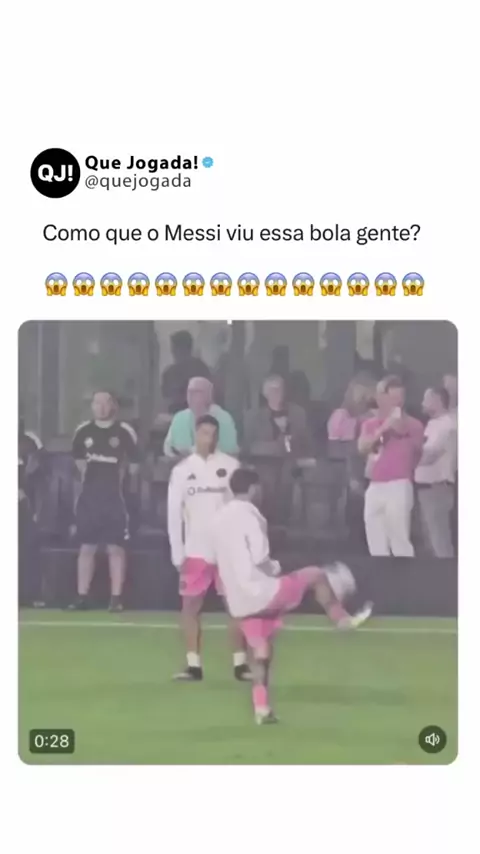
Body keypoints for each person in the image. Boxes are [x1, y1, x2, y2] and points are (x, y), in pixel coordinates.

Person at [212, 468, 372, 725]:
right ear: (253, 488)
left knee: (261, 650)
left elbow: (219, 557)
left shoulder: (219, 517)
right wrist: (275, 568)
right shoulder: (252, 515)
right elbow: (260, 557)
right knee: (315, 574)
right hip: (261, 592)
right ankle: (341, 619)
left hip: (239, 601)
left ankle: (261, 708)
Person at [167, 415, 251, 682]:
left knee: (236, 607)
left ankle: (240, 665)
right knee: (190, 607)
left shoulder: (231, 466)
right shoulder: (182, 471)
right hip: (196, 550)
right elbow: (174, 513)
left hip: (228, 551)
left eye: (214, 434)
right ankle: (193, 665)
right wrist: (177, 552)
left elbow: (243, 508)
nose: (209, 439)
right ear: (196, 434)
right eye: (204, 433)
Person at [68, 391, 139, 612]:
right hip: (89, 500)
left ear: (113, 406)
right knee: (86, 547)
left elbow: (134, 466)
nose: (101, 407)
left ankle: (116, 598)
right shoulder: (83, 431)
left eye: (105, 402)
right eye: (96, 402)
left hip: (116, 499)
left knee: (115, 547)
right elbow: (79, 464)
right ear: (92, 406)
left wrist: (121, 485)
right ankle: (82, 596)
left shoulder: (124, 432)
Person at [358, 376, 424, 557]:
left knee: (398, 536)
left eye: (399, 398)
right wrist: (381, 429)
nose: (396, 403)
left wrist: (393, 423)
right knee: (375, 536)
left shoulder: (414, 425)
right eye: (390, 397)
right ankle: (380, 570)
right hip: (375, 484)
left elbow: (414, 449)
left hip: (399, 484)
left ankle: (405, 572)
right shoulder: (369, 424)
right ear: (379, 398)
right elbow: (362, 447)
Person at [243, 374, 314, 524]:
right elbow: (249, 445)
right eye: (273, 390)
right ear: (265, 393)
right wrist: (276, 448)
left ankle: (285, 524)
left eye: (280, 389)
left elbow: (305, 442)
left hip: (291, 467)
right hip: (264, 467)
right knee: (267, 479)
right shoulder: (253, 416)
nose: (277, 393)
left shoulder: (298, 413)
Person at [414, 387, 457, 557]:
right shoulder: (433, 424)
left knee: (439, 540)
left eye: (426, 399)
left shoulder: (447, 425)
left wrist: (404, 461)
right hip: (426, 489)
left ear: (438, 400)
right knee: (430, 540)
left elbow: (430, 455)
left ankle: (446, 572)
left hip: (437, 489)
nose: (422, 403)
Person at [163, 376, 238, 457]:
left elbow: (229, 451)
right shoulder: (180, 418)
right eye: (189, 391)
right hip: (182, 463)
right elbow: (168, 448)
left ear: (208, 395)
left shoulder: (224, 418)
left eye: (197, 392)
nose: (191, 395)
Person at [161, 330, 211, 414]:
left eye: (175, 348)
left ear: (186, 349)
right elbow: (165, 400)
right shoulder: (168, 373)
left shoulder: (200, 369)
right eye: (173, 348)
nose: (172, 352)